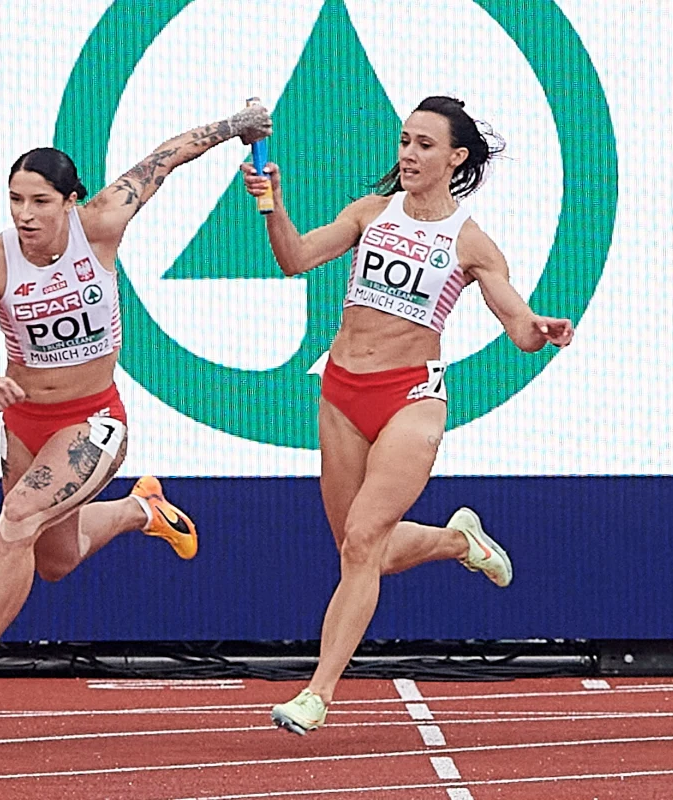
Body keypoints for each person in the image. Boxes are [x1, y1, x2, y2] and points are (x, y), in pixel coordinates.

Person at [0, 104, 272, 713]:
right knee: (54, 560)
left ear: (71, 201)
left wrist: (236, 126)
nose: (25, 215)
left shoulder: (102, 224)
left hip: (94, 421)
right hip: (26, 423)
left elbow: (165, 159)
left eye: (40, 202)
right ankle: (143, 509)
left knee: (16, 521)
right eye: (15, 201)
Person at [242, 96, 574, 735]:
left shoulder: (470, 242)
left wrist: (540, 328)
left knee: (365, 539)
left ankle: (317, 693)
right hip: (340, 394)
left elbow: (515, 319)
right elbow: (295, 258)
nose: (409, 155)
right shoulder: (372, 212)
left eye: (424, 145)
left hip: (411, 402)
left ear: (456, 157)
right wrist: (271, 202)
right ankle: (457, 541)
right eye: (404, 142)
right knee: (358, 549)